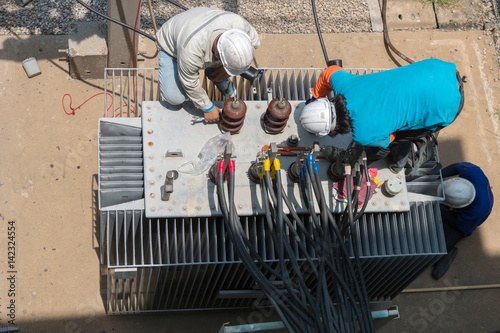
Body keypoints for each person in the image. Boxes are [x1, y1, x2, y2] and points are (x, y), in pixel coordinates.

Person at [299, 58, 465, 173]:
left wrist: (390, 123)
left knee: (398, 137)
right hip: (438, 69)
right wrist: (314, 98)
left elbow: (389, 139)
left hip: (447, 104)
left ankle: (397, 165)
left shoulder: (363, 134)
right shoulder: (345, 84)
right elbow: (330, 72)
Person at [156, 7, 260, 122]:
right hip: (172, 47)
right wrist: (208, 108)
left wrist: (225, 71)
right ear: (217, 55)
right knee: (175, 97)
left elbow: (254, 43)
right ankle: (214, 72)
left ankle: (215, 73)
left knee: (220, 70)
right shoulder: (191, 50)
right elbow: (189, 82)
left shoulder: (240, 26)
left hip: (200, 22)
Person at [432, 162, 494, 279]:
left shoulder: (476, 212)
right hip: (473, 203)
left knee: (434, 246)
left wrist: (436, 207)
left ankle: (448, 253)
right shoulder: (472, 173)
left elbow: (458, 225)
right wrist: (435, 175)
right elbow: (456, 167)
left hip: (465, 223)